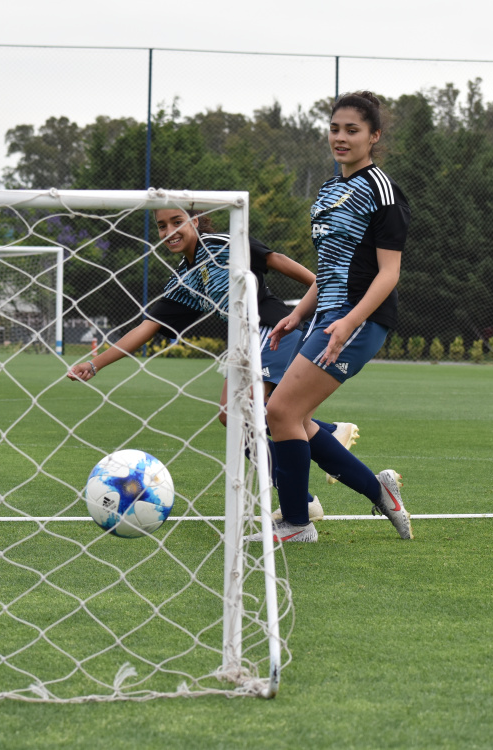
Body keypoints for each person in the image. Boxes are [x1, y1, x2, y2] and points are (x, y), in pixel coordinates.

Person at [67, 206, 356, 521]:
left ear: (194, 221)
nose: (169, 232)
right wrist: (95, 364)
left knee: (245, 411)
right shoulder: (186, 275)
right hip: (243, 345)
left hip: (270, 331)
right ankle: (307, 486)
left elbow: (275, 259)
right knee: (230, 417)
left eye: (177, 222)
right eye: (162, 226)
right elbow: (148, 327)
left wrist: (326, 292)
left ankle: (315, 459)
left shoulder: (221, 243)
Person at [250, 90, 413, 544]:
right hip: (327, 316)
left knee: (279, 410)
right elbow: (329, 270)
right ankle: (378, 490)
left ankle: (297, 523)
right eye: (335, 129)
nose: (340, 138)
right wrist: (296, 313)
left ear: (374, 136)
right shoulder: (329, 189)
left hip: (359, 319)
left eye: (352, 130)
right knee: (294, 419)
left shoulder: (382, 190)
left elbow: (389, 273)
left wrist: (349, 321)